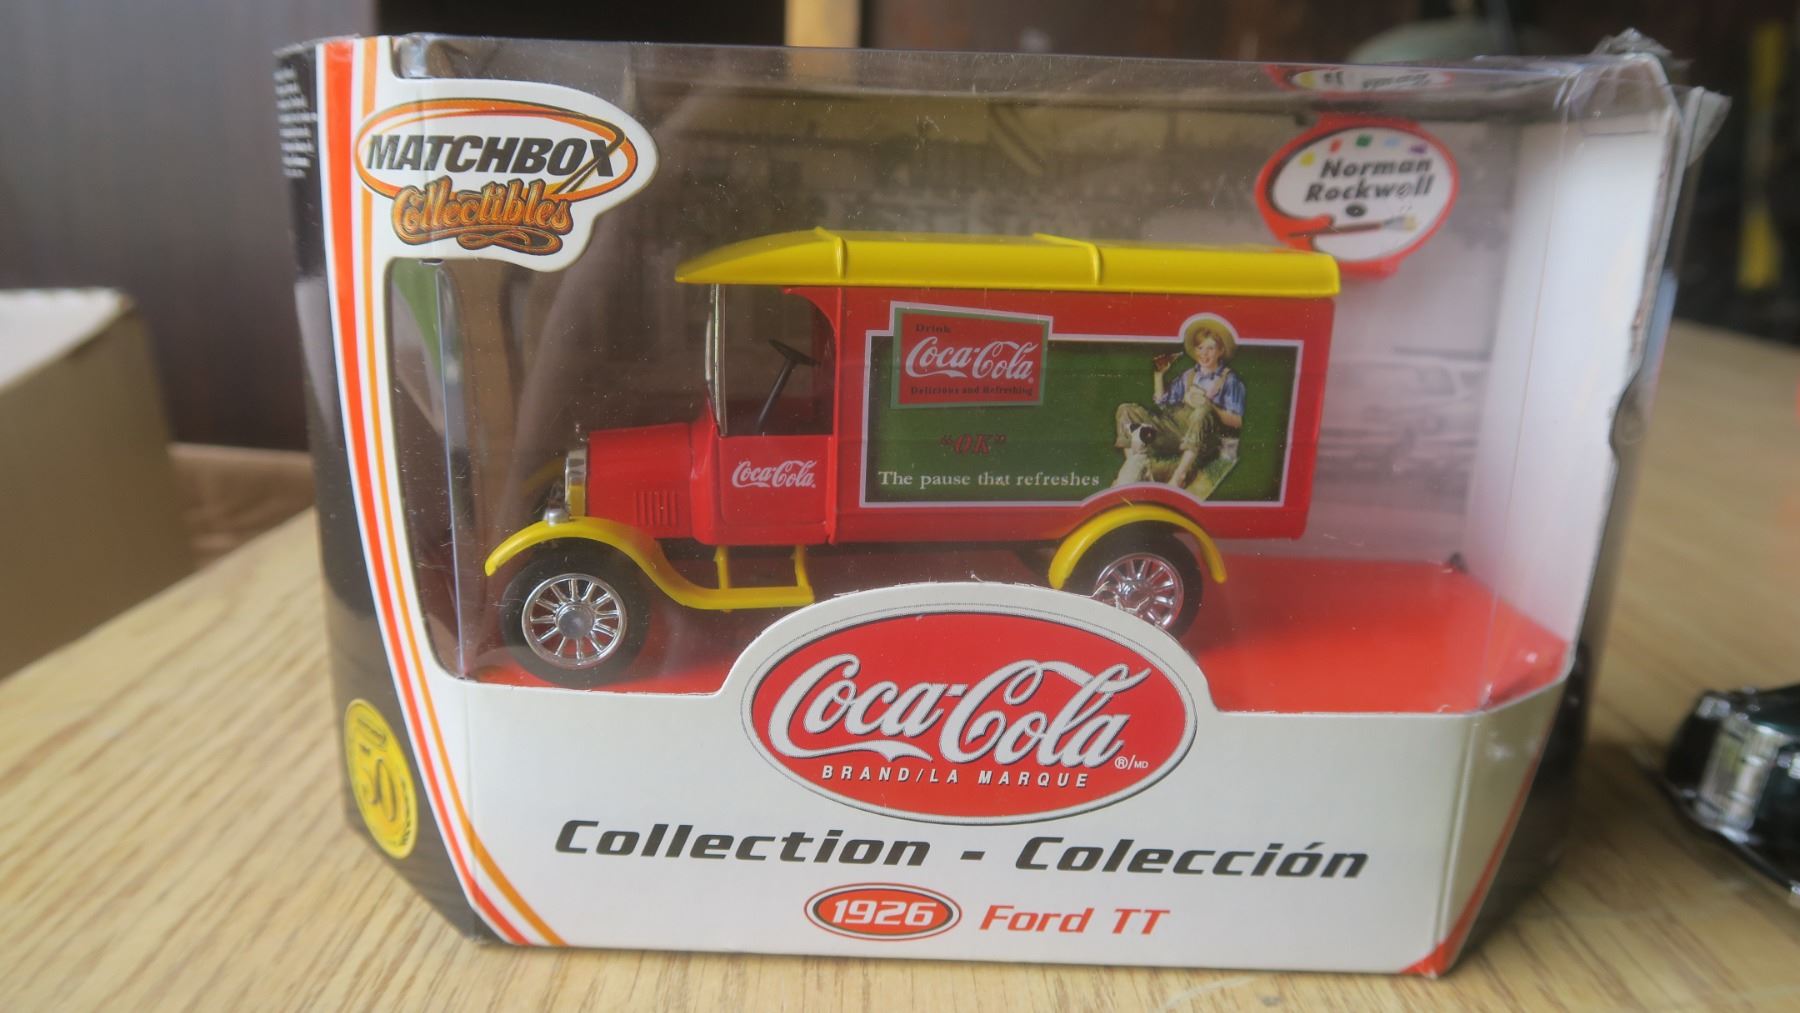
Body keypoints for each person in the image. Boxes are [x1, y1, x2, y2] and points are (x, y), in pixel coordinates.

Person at [1113, 316, 1246, 490]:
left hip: (1206, 437)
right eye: (1200, 348)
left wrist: (1208, 404)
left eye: (1210, 348)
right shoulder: (1188, 375)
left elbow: (1237, 421)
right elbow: (1162, 403)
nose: (1204, 353)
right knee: (1126, 410)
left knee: (1202, 411)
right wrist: (1159, 375)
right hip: (1176, 431)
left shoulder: (1230, 380)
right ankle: (1136, 467)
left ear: (1220, 350)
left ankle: (1179, 477)